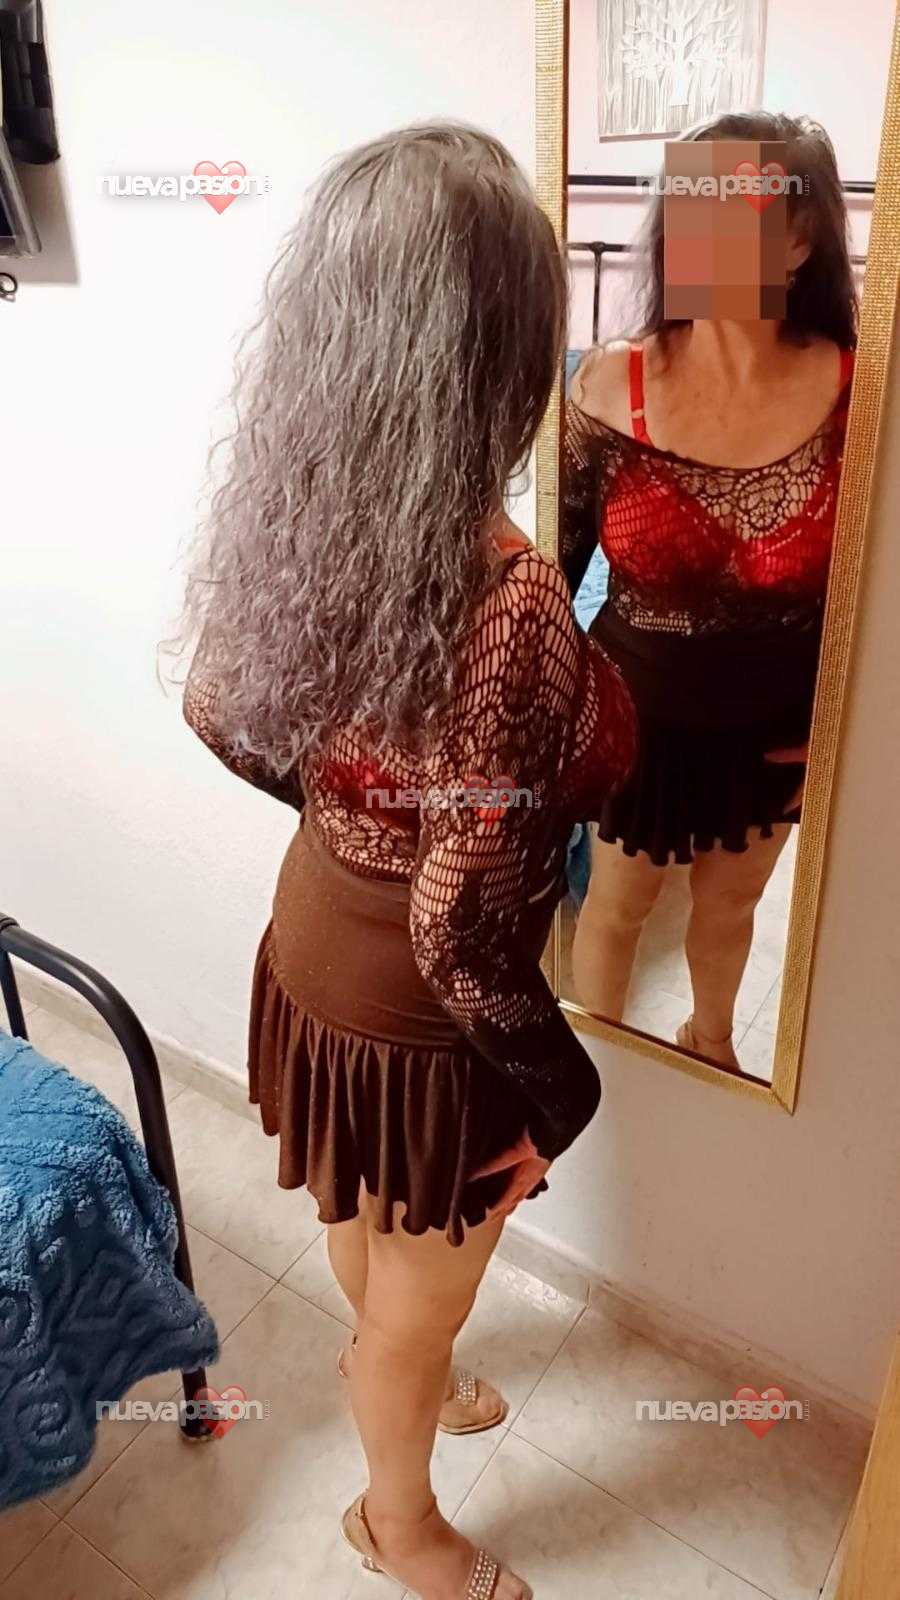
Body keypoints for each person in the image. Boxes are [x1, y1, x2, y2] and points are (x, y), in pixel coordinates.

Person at [177, 123, 636, 1600]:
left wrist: (347, 819)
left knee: (365, 1226)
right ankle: (401, 1522)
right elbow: (457, 931)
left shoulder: (303, 512)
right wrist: (563, 1097)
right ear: (503, 360)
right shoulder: (511, 601)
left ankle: (397, 1368)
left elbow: (215, 707)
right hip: (430, 1019)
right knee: (418, 1305)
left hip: (309, 947)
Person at [562, 111, 856, 1068]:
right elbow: (550, 582)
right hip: (633, 721)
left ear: (800, 239)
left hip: (775, 734)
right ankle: (607, 1087)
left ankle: (713, 1046)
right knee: (614, 909)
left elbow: (876, 604)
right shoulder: (607, 384)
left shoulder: (859, 394)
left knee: (730, 911)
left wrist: (847, 729)